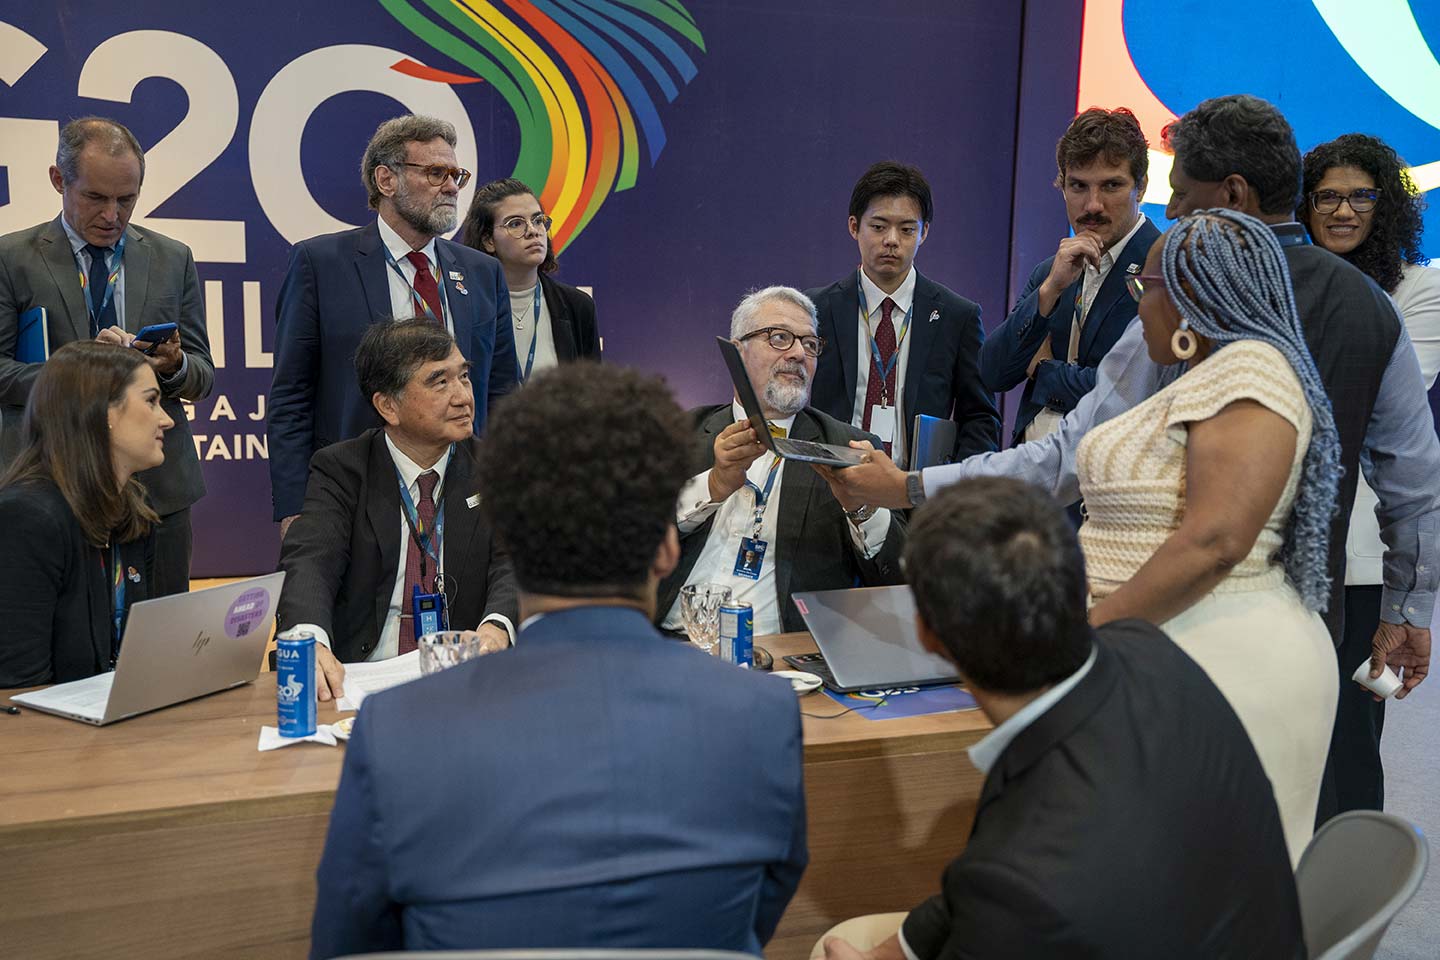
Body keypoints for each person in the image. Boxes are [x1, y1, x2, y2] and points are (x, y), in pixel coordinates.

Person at [825, 95, 1436, 702]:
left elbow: (1073, 459)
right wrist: (1411, 609)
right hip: (1304, 637)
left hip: (1176, 639)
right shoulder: (1371, 309)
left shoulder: (1193, 294)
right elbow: (1414, 483)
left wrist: (910, 486)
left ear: (1231, 195)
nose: (1169, 211)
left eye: (1180, 194)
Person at [309, 363, 807, 958]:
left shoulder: (395, 729)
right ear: (667, 548)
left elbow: (351, 940)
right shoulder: (766, 714)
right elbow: (760, 909)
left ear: (510, 543)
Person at [820, 477, 1304, 960]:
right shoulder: (1152, 651)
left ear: (927, 634)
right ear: (1081, 588)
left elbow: (998, 889)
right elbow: (978, 888)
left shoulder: (1021, 884)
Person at [1082, 208, 1340, 860]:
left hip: (1217, 662)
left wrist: (1083, 636)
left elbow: (1215, 541)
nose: (1140, 311)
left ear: (1188, 296)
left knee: (1197, 888)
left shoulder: (1248, 372)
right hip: (1177, 654)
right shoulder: (1220, 371)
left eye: (1144, 290)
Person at [268, 114, 517, 537]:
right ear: (386, 180)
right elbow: (292, 395)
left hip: (466, 492)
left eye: (456, 174)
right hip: (358, 493)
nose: (452, 186)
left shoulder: (483, 272)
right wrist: (295, 505)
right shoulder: (320, 263)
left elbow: (503, 390)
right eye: (436, 173)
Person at [0, 117, 214, 598]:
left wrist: (172, 368)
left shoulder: (171, 258)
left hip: (159, 488)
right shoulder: (11, 259)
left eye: (127, 199)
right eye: (96, 198)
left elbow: (202, 375)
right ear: (59, 180)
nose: (113, 215)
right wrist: (81, 374)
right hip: (53, 483)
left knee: (163, 649)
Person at [1300, 133, 1440, 817]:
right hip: (1285, 552)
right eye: (1327, 196)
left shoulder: (1423, 287)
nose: (1344, 210)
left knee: (1353, 739)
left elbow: (1363, 397)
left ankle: (1350, 912)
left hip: (1366, 564)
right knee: (1288, 735)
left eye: (1360, 196)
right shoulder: (1283, 284)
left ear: (1385, 207)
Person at [276, 319, 517, 701]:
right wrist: (309, 640)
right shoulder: (342, 469)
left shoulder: (494, 467)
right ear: (388, 405)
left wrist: (496, 628)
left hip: (464, 677)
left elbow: (514, 562)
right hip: (363, 679)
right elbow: (310, 561)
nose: (463, 397)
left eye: (464, 377)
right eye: (440, 382)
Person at [656, 286, 905, 637]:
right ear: (738, 351)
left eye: (810, 344)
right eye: (779, 338)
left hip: (780, 658)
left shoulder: (847, 448)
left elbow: (898, 578)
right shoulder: (680, 432)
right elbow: (625, 545)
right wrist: (712, 487)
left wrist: (861, 508)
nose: (798, 354)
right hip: (669, 644)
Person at [980, 108, 1160, 446]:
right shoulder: (1052, 271)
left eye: (1111, 185)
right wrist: (1050, 291)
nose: (1092, 205)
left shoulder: (1162, 269)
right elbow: (993, 372)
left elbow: (1130, 393)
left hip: (1104, 483)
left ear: (1142, 187)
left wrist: (1045, 371)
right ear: (1061, 186)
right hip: (1030, 480)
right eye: (1078, 186)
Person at [0, 342, 172, 687]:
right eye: (151, 401)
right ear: (102, 413)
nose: (166, 420)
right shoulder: (27, 517)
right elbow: (14, 690)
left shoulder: (136, 516)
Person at [806, 162, 999, 466]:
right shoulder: (814, 310)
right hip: (828, 485)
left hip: (912, 496)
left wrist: (947, 493)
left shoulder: (956, 316)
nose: (892, 240)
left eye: (907, 229)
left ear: (924, 233)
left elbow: (980, 417)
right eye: (879, 226)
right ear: (854, 226)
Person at [460, 177, 599, 381]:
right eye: (516, 223)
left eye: (537, 220)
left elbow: (593, 393)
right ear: (488, 240)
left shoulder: (577, 305)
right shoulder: (464, 304)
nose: (533, 231)